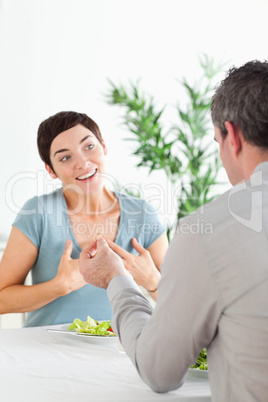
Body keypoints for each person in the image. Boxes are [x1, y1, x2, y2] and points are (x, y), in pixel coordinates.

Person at [79, 60, 268, 402]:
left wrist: (116, 279)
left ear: (233, 136)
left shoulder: (207, 230)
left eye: (216, 141)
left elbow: (159, 370)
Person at [0, 111, 168, 327]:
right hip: (45, 351)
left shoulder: (143, 214)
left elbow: (181, 303)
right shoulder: (37, 213)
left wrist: (152, 282)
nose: (83, 163)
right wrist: (60, 286)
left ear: (104, 146)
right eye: (65, 157)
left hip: (120, 351)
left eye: (89, 147)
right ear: (51, 170)